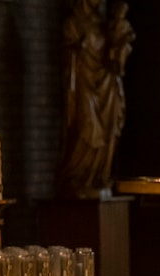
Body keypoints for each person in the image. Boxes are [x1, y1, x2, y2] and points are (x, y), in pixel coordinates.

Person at [60, 0, 133, 199]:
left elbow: (116, 56)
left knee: (109, 128)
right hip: (85, 84)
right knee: (86, 127)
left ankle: (99, 175)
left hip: (106, 85)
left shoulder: (104, 24)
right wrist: (78, 47)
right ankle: (79, 176)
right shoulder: (74, 23)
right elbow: (68, 56)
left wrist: (120, 43)